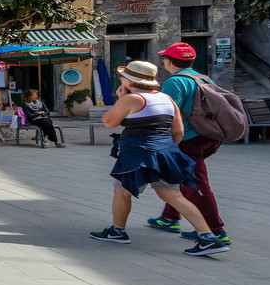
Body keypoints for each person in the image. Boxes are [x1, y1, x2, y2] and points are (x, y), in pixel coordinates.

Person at [90, 60, 228, 256]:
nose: (120, 78)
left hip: (137, 153)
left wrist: (121, 98)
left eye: (122, 76)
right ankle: (208, 237)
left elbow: (109, 122)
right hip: (165, 151)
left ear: (129, 80)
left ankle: (117, 231)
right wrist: (166, 148)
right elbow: (178, 131)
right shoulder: (166, 99)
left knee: (122, 192)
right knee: (174, 196)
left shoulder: (132, 99)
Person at [149, 42, 228, 243]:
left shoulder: (174, 82)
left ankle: (215, 230)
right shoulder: (203, 78)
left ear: (167, 61)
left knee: (196, 183)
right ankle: (169, 217)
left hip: (188, 139)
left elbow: (168, 112)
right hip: (209, 135)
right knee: (179, 175)